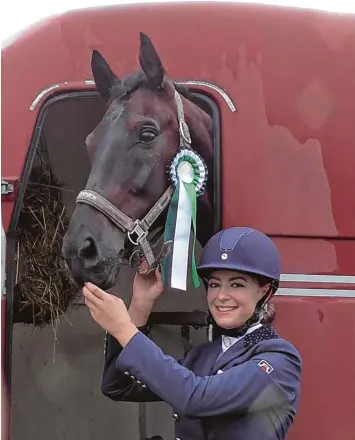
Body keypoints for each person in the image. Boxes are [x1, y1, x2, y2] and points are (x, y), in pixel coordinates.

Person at [83, 226, 302, 440]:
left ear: (264, 291)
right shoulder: (201, 356)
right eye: (215, 284)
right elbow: (118, 386)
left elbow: (197, 398)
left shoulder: (279, 360)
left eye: (237, 285)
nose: (221, 296)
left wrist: (124, 328)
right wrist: (140, 304)